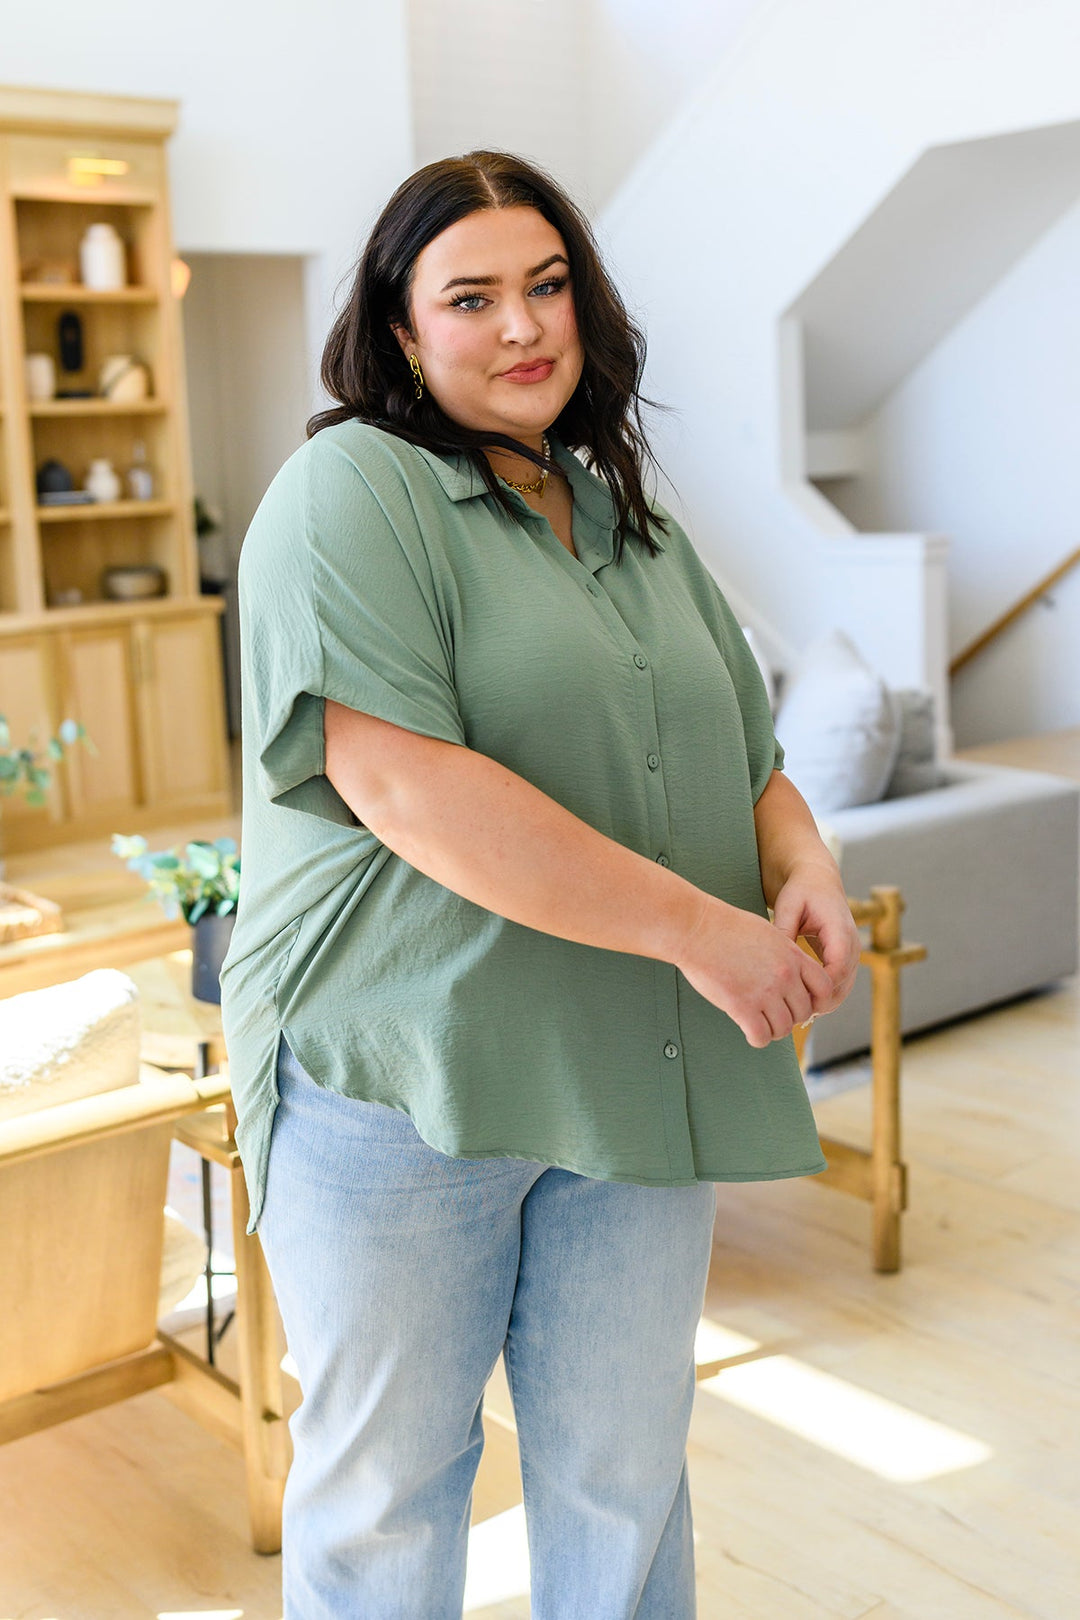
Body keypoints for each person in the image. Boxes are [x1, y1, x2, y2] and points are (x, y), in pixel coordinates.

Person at [221, 149, 861, 1620]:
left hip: (629, 1065)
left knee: (623, 1481)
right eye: (473, 297)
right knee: (388, 1500)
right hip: (402, 1080)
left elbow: (742, 750)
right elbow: (410, 791)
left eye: (549, 284)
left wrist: (802, 859)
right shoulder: (348, 494)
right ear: (400, 331)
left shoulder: (626, 516)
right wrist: (706, 930)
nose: (524, 327)